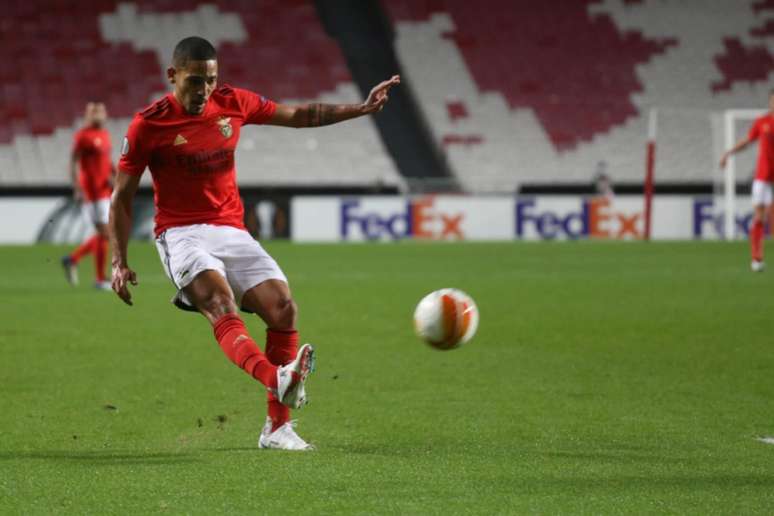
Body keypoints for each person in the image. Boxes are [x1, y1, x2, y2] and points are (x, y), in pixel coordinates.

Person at [110, 36, 400, 450]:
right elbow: (121, 197)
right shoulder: (148, 125)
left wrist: (362, 108)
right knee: (220, 302)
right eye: (194, 81)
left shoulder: (233, 102)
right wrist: (119, 261)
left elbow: (298, 115)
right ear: (172, 76)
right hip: (180, 232)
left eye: (210, 80)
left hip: (231, 229)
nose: (203, 90)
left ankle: (277, 428)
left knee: (283, 308)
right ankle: (276, 378)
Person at [61, 102, 114, 289]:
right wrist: (76, 186)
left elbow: (106, 162)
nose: (98, 114)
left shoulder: (105, 135)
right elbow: (73, 161)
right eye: (93, 111)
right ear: (87, 115)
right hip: (91, 193)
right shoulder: (83, 136)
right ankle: (99, 279)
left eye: (100, 110)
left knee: (104, 234)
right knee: (105, 233)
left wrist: (114, 176)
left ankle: (72, 259)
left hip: (105, 191)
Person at [720, 90, 774, 272]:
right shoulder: (762, 122)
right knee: (759, 217)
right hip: (762, 178)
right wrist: (729, 153)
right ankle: (756, 259)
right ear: (769, 102)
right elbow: (747, 141)